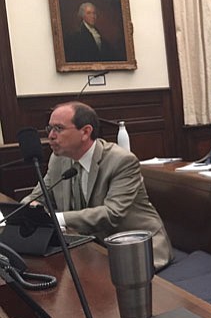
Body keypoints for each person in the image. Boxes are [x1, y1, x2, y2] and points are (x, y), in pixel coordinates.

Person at [22, 102, 173, 270]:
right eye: (49, 128)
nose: (50, 136)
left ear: (86, 132)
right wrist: (26, 210)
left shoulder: (121, 161)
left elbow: (112, 213)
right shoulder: (58, 159)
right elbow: (37, 197)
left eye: (58, 128)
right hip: (87, 249)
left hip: (134, 250)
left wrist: (57, 218)